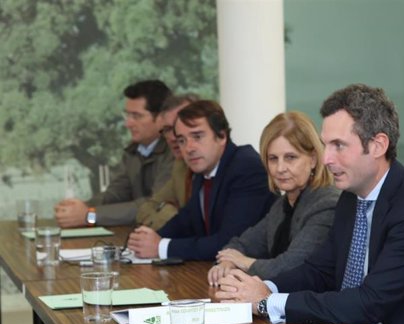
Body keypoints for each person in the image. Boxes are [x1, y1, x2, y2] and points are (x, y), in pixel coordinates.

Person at [215, 83, 404, 324]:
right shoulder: (351, 197)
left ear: (378, 145)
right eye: (325, 145)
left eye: (338, 146)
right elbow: (319, 271)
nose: (327, 158)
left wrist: (267, 303)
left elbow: (368, 303)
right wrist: (260, 287)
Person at [127, 100, 274, 261]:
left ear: (222, 136)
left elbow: (230, 243)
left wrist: (161, 246)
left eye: (197, 136)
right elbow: (186, 220)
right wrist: (149, 239)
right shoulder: (203, 169)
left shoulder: (246, 167)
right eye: (182, 140)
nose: (189, 148)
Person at [207, 111, 340, 282]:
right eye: (273, 159)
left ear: (313, 159)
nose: (280, 168)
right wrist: (227, 263)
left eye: (290, 157)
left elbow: (292, 266)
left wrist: (245, 262)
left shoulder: (326, 203)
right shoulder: (282, 205)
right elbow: (240, 244)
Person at [54, 79, 174, 227]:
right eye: (127, 115)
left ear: (162, 118)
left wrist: (89, 216)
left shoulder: (176, 152)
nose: (128, 123)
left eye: (136, 116)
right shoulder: (133, 151)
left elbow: (154, 206)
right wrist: (77, 209)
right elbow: (116, 194)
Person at [136, 93, 199, 230]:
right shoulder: (180, 166)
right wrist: (171, 214)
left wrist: (169, 213)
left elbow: (193, 228)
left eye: (179, 126)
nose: (171, 137)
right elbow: (146, 209)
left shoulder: (235, 165)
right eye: (167, 130)